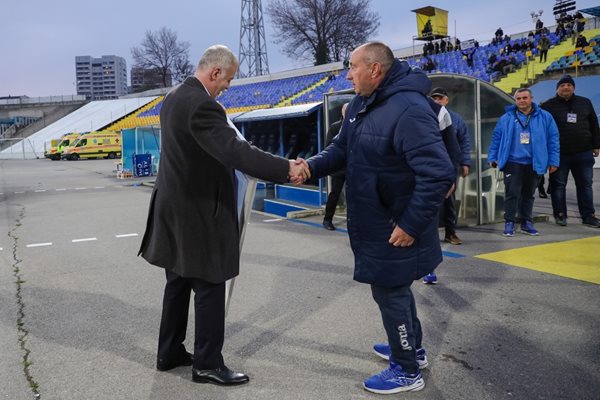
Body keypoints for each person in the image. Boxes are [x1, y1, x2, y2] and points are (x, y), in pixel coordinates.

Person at [138, 45, 309, 386]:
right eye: (228, 80)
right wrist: (285, 168)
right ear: (214, 73)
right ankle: (207, 363)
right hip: (198, 209)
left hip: (174, 206)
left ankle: (169, 351)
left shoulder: (174, 97)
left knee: (178, 282)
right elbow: (234, 151)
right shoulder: (203, 105)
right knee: (210, 283)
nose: (227, 87)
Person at [303, 41, 455, 394]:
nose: (348, 74)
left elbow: (438, 174)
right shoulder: (361, 103)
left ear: (375, 69)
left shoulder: (409, 109)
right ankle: (411, 349)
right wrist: (309, 166)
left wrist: (410, 225)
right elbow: (341, 149)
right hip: (375, 219)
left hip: (394, 224)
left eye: (353, 67)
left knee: (390, 293)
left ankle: (405, 370)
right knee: (393, 289)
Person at [488, 88, 560, 236]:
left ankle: (526, 222)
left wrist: (554, 161)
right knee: (512, 193)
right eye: (519, 98)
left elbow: (553, 140)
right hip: (512, 162)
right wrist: (492, 157)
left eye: (524, 98)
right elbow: (496, 138)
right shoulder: (506, 117)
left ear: (531, 99)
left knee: (528, 194)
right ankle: (509, 222)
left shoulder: (545, 117)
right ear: (515, 101)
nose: (522, 101)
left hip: (534, 162)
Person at [541, 75, 600, 227]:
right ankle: (560, 214)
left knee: (585, 185)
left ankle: (588, 215)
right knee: (558, 185)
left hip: (584, 151)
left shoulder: (585, 102)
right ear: (557, 88)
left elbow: (594, 124)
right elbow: (542, 130)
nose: (566, 87)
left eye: (569, 84)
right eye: (562, 85)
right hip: (559, 153)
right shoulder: (548, 105)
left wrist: (596, 145)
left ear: (573, 87)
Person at [430, 87, 471, 245]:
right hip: (430, 165)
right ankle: (431, 234)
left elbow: (464, 142)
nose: (437, 101)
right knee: (428, 199)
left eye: (440, 98)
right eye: (434, 98)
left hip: (449, 166)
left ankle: (450, 232)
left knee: (449, 200)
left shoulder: (456, 119)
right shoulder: (425, 117)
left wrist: (465, 162)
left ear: (447, 100)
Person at [322, 103, 348, 230]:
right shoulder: (335, 127)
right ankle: (327, 220)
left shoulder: (358, 125)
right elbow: (328, 148)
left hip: (353, 168)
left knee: (356, 195)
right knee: (335, 194)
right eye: (346, 110)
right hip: (339, 169)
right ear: (342, 112)